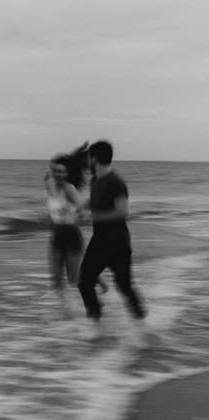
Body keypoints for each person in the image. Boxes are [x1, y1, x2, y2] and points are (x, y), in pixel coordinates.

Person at [78, 140, 148, 339]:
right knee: (84, 282)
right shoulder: (95, 180)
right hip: (99, 241)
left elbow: (123, 212)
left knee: (124, 287)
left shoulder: (116, 181)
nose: (87, 162)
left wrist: (93, 217)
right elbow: (94, 200)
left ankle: (142, 327)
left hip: (117, 243)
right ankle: (95, 324)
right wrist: (80, 207)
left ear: (95, 158)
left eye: (89, 157)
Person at [44, 142, 107, 316]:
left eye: (61, 171)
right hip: (56, 235)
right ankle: (67, 312)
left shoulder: (69, 189)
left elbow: (82, 206)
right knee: (56, 280)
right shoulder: (49, 183)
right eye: (55, 170)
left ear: (67, 174)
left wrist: (77, 214)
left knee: (74, 279)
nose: (57, 174)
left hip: (71, 235)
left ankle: (96, 294)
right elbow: (52, 172)